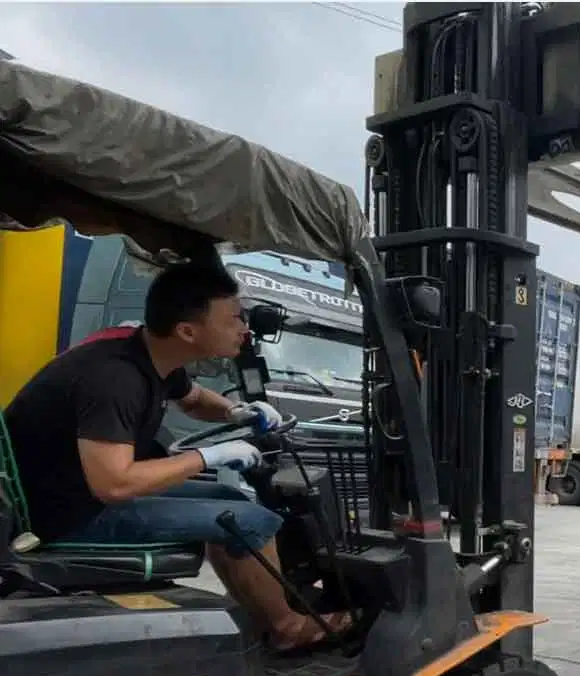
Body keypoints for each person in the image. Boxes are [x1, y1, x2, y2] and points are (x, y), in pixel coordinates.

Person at [3, 261, 346, 651]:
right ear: (187, 331)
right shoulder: (116, 379)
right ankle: (287, 628)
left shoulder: (149, 352)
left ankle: (259, 613)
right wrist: (208, 456)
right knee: (252, 521)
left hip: (80, 492)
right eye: (233, 319)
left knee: (232, 501)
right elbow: (114, 484)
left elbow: (195, 399)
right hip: (70, 515)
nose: (244, 329)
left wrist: (236, 412)